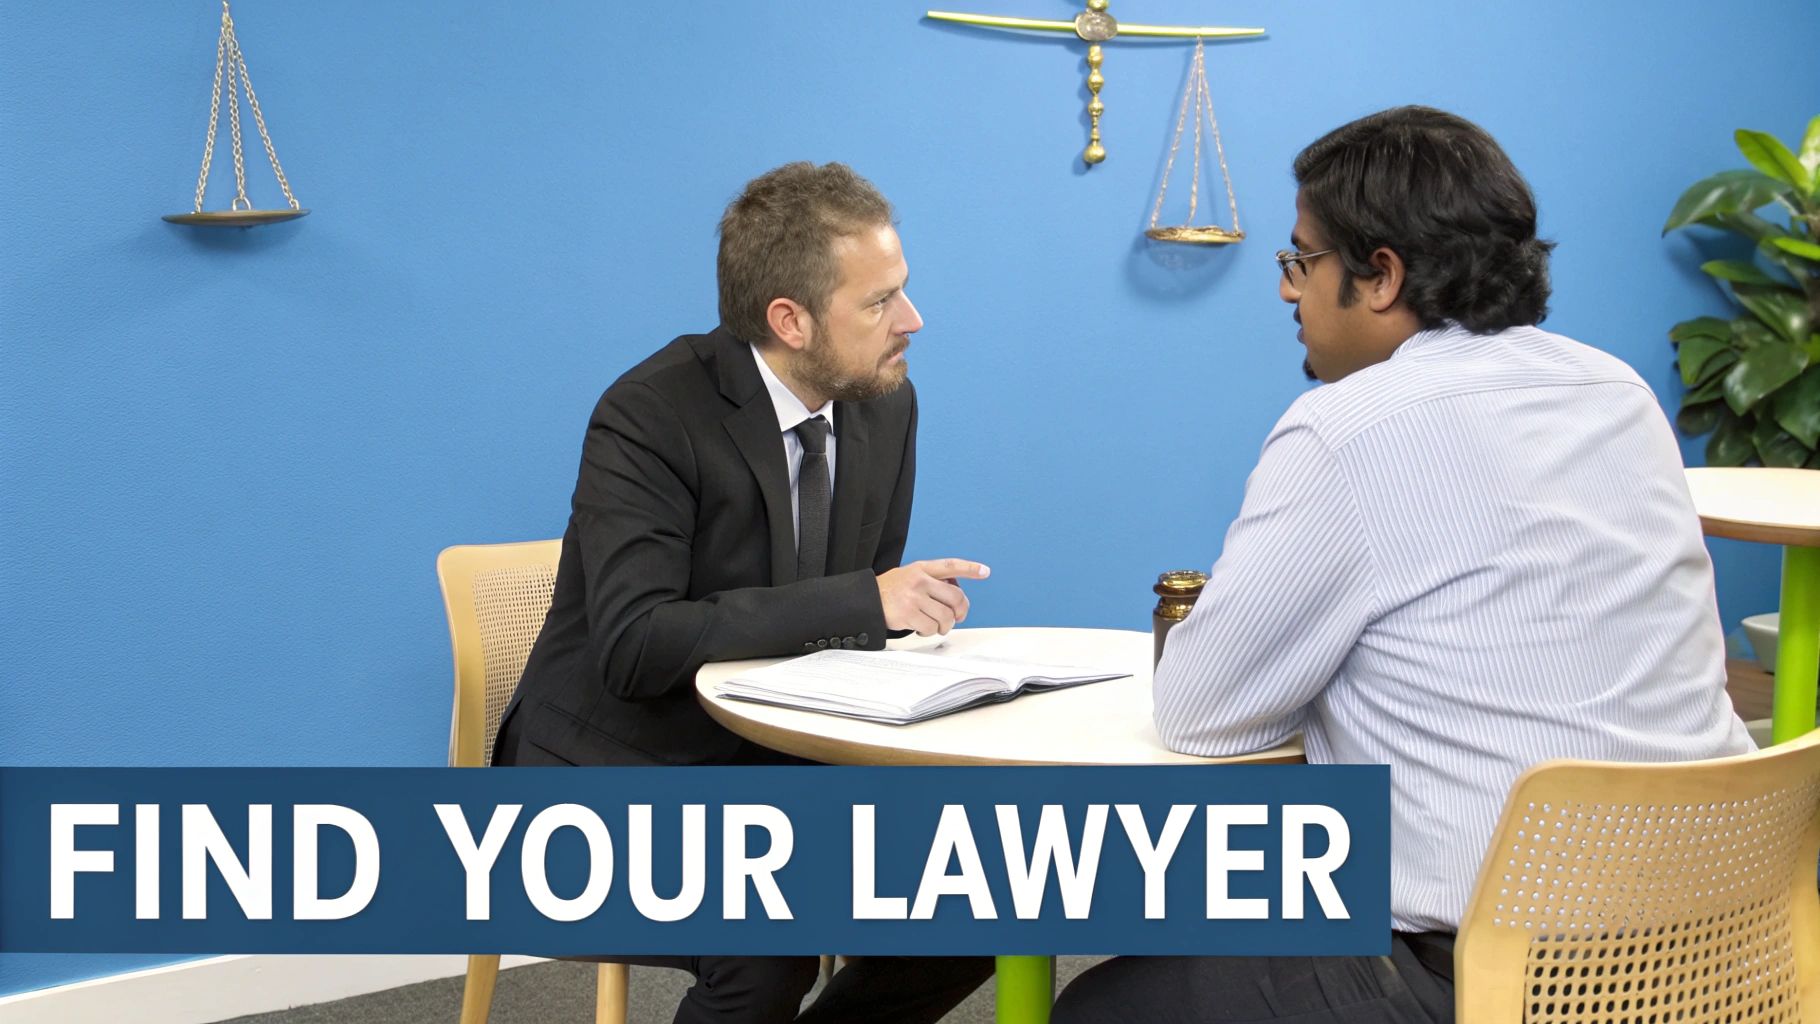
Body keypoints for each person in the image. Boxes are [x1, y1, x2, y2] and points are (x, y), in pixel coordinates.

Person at [1054, 106, 1753, 1024]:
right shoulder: (1616, 389)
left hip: (1498, 979)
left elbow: (1200, 714)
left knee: (1104, 1005)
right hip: (1722, 947)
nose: (1286, 292)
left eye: (1300, 261)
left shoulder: (1347, 429)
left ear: (1380, 275)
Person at [493, 161, 994, 1024]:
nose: (912, 321)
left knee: (995, 884)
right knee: (766, 936)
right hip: (615, 770)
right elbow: (635, 645)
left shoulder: (883, 402)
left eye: (902, 292)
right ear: (789, 320)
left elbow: (859, 629)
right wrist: (864, 604)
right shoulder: (649, 413)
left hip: (780, 761)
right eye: (879, 303)